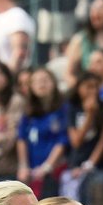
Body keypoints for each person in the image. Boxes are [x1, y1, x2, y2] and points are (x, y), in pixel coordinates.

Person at [17, 67, 69, 196]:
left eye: (45, 80)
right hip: (31, 171)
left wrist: (47, 166)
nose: (41, 84)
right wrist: (23, 165)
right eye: (36, 81)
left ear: (54, 83)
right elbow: (21, 138)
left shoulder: (63, 109)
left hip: (54, 171)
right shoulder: (28, 112)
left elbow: (62, 140)